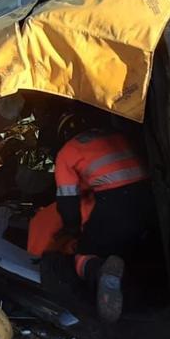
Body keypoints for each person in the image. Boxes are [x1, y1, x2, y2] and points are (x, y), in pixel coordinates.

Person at [54, 121, 154, 324]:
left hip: (115, 200)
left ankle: (99, 271)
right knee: (136, 247)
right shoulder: (116, 133)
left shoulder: (68, 151)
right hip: (151, 195)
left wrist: (72, 231)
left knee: (85, 253)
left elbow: (67, 201)